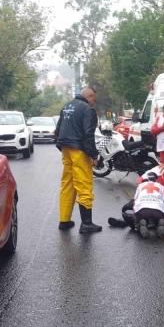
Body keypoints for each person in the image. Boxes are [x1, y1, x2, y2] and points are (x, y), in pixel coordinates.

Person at [55, 86, 102, 233]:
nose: (94, 101)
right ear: (89, 96)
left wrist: (61, 145)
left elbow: (57, 130)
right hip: (79, 150)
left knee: (67, 184)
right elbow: (88, 134)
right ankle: (87, 224)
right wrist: (93, 155)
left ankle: (64, 220)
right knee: (84, 184)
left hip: (66, 148)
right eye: (94, 97)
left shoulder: (67, 106)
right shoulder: (87, 109)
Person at [133, 172, 164, 239]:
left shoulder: (140, 185)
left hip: (143, 209)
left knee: (139, 217)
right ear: (156, 179)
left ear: (147, 179)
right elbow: (163, 200)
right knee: (162, 216)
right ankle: (161, 221)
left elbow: (135, 200)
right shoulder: (161, 186)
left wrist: (135, 214)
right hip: (158, 209)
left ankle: (141, 222)